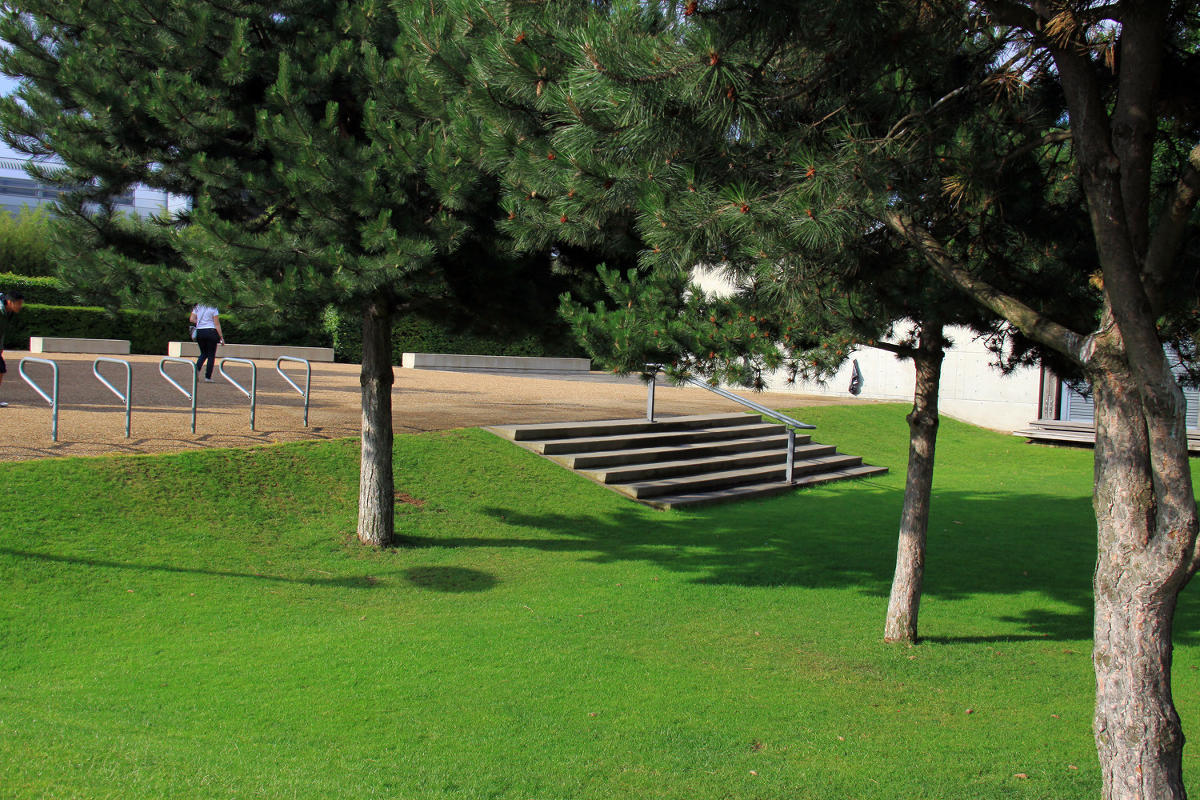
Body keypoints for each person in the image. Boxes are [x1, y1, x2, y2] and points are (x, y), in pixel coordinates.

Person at [0, 290, 24, 407]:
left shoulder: (8, 312)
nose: (20, 306)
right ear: (10, 302)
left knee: (0, 369)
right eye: (19, 303)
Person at [190, 301, 225, 382]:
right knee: (211, 355)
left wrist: (200, 322)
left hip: (200, 332)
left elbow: (192, 319)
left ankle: (197, 370)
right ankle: (208, 377)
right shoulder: (213, 307)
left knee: (203, 353)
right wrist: (221, 337)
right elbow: (217, 324)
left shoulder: (198, 306)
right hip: (211, 331)